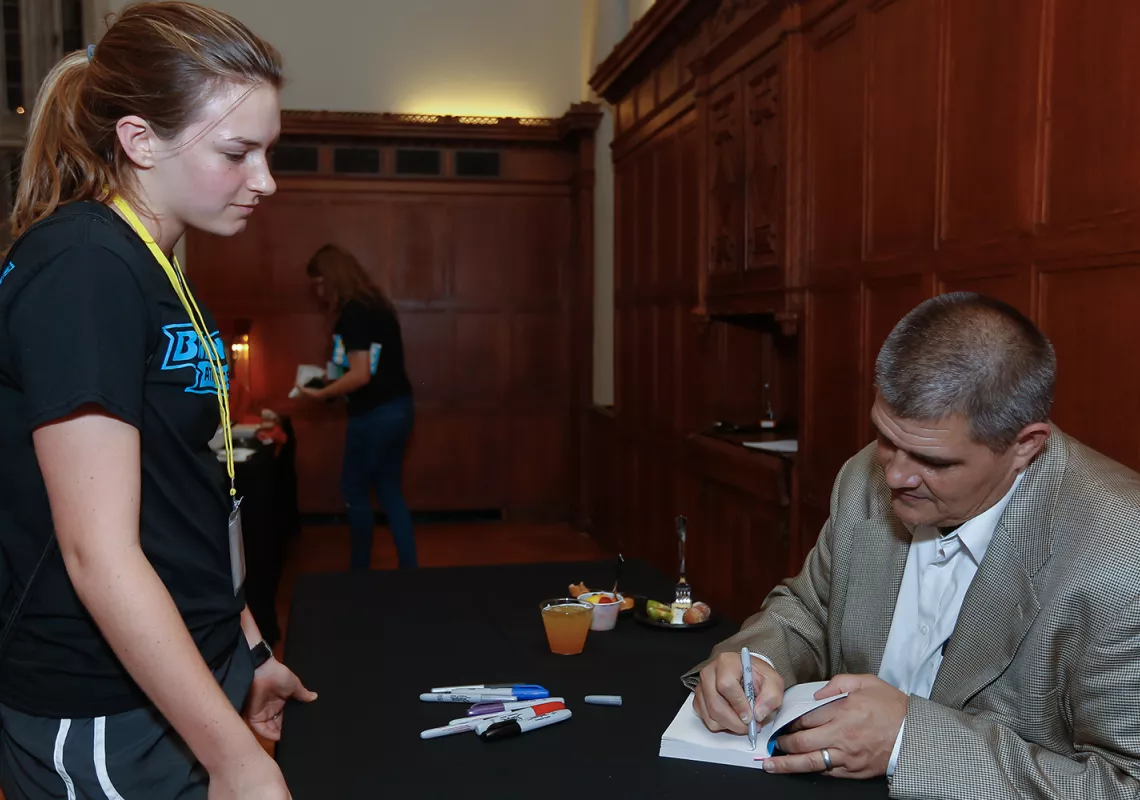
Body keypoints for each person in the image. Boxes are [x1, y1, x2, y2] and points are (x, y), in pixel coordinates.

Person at [0, 4, 315, 797]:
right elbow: (97, 555)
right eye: (238, 152)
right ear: (140, 140)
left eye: (268, 153)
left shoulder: (160, 268)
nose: (265, 181)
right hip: (103, 697)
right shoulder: (82, 266)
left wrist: (246, 651)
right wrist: (235, 757)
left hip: (184, 673)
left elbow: (190, 498)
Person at [685, 293, 1140, 799]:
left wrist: (907, 742)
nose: (894, 475)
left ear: (1024, 446)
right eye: (884, 437)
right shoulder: (865, 476)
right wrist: (758, 664)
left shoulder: (1122, 550)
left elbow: (1125, 784)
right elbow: (811, 608)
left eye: (934, 461)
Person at [299, 244, 417, 571]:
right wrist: (329, 380)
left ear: (333, 278)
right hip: (400, 408)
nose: (320, 292)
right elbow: (361, 367)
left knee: (355, 489)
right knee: (389, 489)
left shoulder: (353, 313)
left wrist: (321, 394)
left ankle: (359, 573)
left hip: (374, 415)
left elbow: (361, 374)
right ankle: (410, 570)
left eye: (321, 283)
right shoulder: (376, 305)